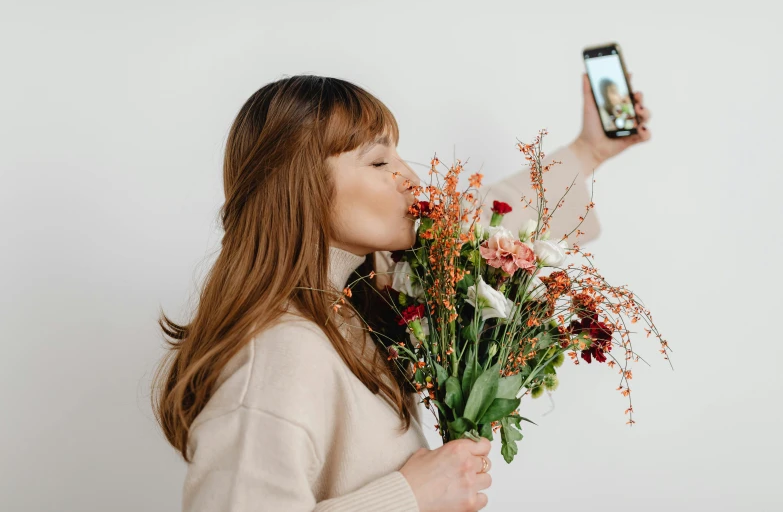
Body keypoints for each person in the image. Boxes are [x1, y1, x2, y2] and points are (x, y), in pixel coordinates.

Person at [151, 73, 651, 512]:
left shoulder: (351, 305)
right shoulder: (276, 354)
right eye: (376, 161)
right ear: (299, 188)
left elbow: (483, 227)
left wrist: (591, 150)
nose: (409, 176)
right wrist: (409, 496)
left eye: (398, 153)